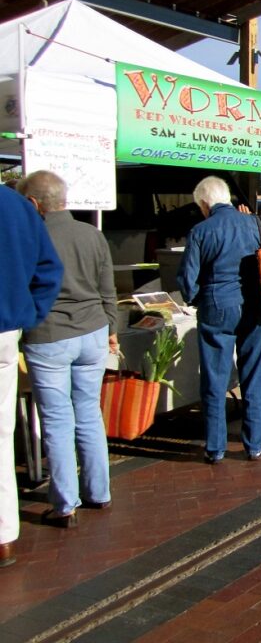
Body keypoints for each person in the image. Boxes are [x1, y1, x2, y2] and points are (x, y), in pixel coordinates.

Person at [18, 171, 115, 526]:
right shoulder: (92, 234)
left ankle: (65, 504)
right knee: (89, 412)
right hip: (92, 332)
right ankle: (99, 492)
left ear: (33, 203)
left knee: (57, 420)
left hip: (49, 336)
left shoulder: (31, 237)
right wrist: (111, 328)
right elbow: (108, 288)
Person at [179, 176, 261, 463]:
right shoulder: (258, 224)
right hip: (257, 305)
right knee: (254, 375)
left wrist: (196, 298)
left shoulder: (200, 230)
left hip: (217, 305)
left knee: (215, 377)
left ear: (204, 203)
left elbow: (188, 280)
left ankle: (215, 447)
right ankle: (254, 444)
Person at [0, 183, 61, 561]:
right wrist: (26, 315)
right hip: (6, 330)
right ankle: (4, 529)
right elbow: (48, 270)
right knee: (2, 430)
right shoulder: (16, 206)